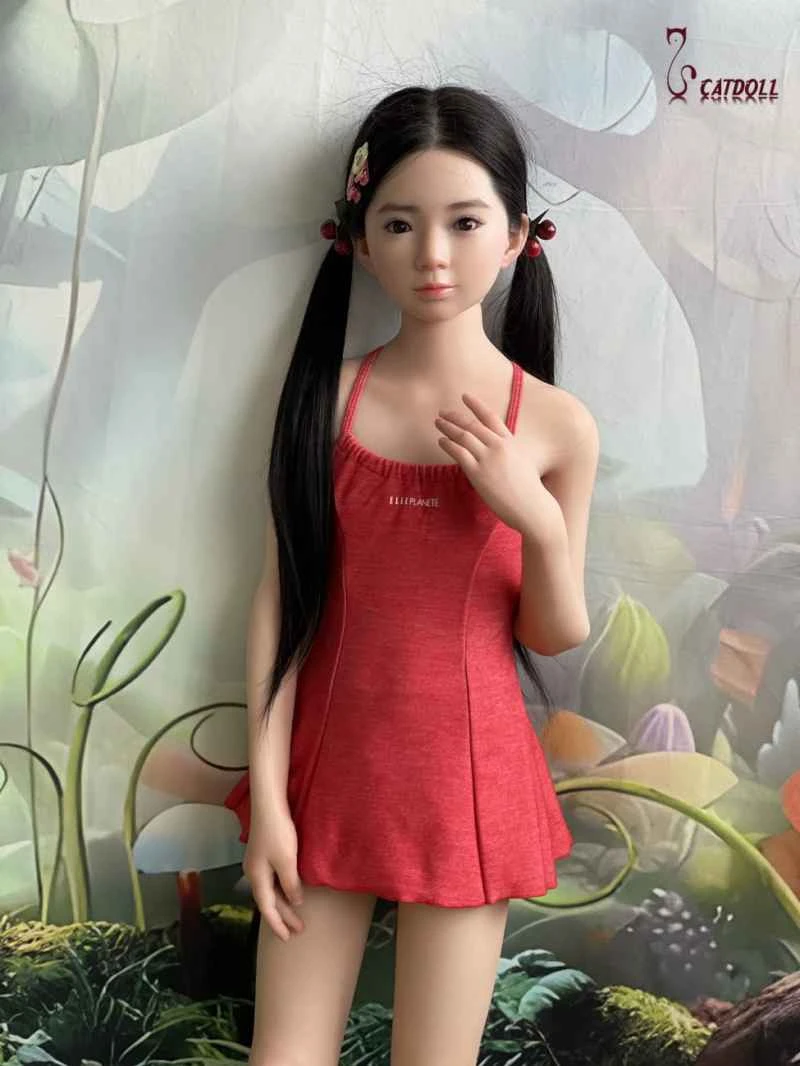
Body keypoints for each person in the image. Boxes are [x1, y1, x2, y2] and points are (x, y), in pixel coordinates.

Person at [224, 83, 599, 1066]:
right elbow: (280, 603)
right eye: (399, 223)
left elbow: (555, 632)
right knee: (283, 1054)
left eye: (464, 222)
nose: (432, 253)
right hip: (327, 770)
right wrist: (269, 803)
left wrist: (534, 518)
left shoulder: (556, 425)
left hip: (469, 779)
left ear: (515, 236)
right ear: (358, 237)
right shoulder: (328, 401)